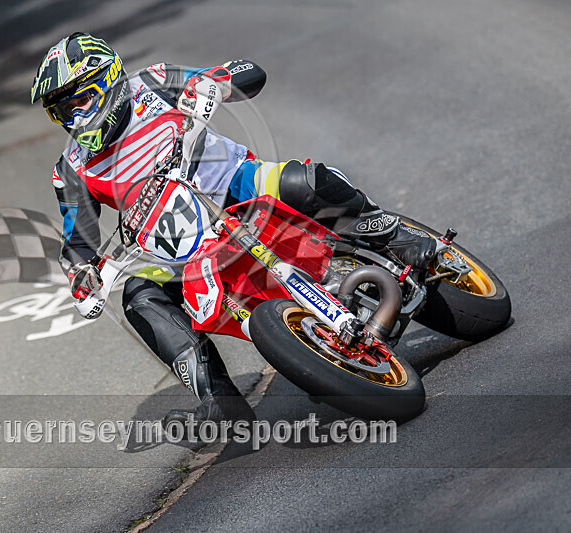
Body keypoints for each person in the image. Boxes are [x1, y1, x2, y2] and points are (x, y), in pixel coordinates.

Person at [30, 33, 435, 432]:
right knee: (139, 296)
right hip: (181, 244)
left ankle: (392, 235)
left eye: (79, 101)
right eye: (60, 111)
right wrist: (83, 276)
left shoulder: (151, 83)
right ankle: (218, 400)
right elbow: (77, 243)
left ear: (107, 81)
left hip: (237, 185)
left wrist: (214, 85)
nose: (74, 118)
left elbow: (245, 72)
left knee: (302, 180)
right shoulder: (71, 169)